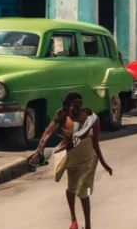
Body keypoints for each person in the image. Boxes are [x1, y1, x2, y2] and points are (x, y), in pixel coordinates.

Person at [30, 91, 111, 229]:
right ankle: (73, 219)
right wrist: (39, 150)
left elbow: (96, 143)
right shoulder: (61, 115)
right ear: (67, 106)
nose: (78, 107)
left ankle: (88, 226)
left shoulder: (89, 118)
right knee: (71, 188)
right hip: (69, 154)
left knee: (83, 191)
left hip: (87, 157)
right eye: (75, 104)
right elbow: (48, 131)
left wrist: (104, 164)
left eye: (81, 104)